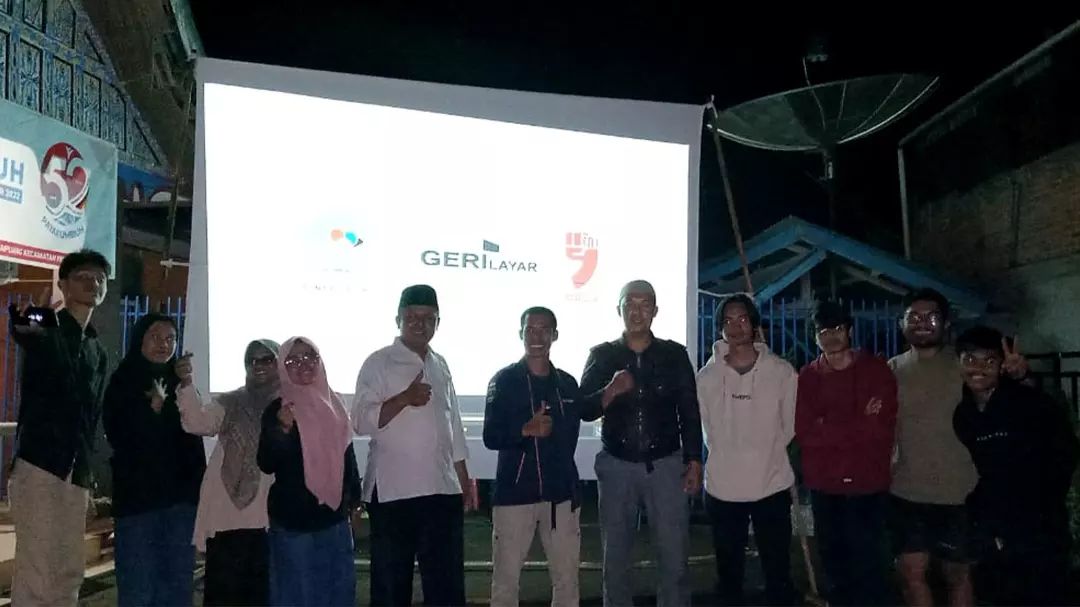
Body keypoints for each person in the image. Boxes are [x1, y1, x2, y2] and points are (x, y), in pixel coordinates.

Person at [887, 288, 1028, 607]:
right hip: (906, 492)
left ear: (946, 323)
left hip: (960, 492)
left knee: (958, 575)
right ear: (901, 323)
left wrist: (1019, 376)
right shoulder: (890, 370)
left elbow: (1015, 405)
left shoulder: (966, 364)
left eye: (931, 316)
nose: (922, 323)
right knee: (911, 574)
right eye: (914, 317)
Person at [580, 279, 703, 607]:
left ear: (655, 310)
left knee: (674, 556)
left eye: (644, 304)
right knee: (615, 558)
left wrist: (694, 460)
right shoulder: (602, 355)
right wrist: (610, 390)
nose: (637, 312)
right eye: (629, 305)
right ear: (618, 310)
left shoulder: (674, 354)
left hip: (666, 465)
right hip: (617, 466)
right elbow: (584, 409)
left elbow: (689, 410)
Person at [353, 284, 477, 607]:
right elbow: (360, 420)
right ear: (398, 320)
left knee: (446, 587)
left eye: (428, 318)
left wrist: (464, 478)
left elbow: (453, 426)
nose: (420, 324)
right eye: (412, 317)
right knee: (391, 588)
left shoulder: (440, 364)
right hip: (394, 493)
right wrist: (404, 399)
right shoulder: (378, 362)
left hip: (442, 490)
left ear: (438, 322)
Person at [8, 249, 111, 607]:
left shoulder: (96, 349)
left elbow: (89, 418)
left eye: (99, 278)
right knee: (37, 570)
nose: (93, 283)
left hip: (76, 471)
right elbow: (24, 326)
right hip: (40, 464)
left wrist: (89, 476)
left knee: (69, 569)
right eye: (83, 277)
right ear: (63, 285)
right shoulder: (47, 321)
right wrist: (31, 317)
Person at [952, 326, 1078, 606]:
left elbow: (1065, 453)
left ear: (1002, 366)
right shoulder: (963, 414)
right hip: (994, 528)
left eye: (989, 360)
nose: (979, 368)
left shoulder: (1030, 403)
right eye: (970, 359)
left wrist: (1042, 509)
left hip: (1039, 527)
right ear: (958, 363)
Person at [696, 294, 797, 606]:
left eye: (742, 319)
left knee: (778, 572)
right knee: (729, 576)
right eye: (727, 321)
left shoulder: (782, 372)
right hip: (723, 489)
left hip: (772, 485)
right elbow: (707, 429)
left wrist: (762, 452)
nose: (735, 326)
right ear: (720, 328)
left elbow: (789, 427)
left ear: (754, 323)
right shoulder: (706, 377)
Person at [796, 301, 898, 606]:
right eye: (823, 331)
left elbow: (881, 428)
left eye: (837, 328)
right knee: (834, 564)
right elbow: (806, 433)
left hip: (868, 484)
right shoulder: (808, 377)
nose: (830, 336)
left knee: (870, 566)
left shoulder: (876, 371)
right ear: (815, 337)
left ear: (850, 331)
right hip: (826, 486)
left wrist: (828, 426)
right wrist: (860, 422)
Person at [103, 313, 206, 607]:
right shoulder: (123, 381)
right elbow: (121, 437)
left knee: (177, 586)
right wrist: (153, 409)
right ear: (140, 340)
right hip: (138, 504)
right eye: (155, 337)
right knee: (139, 588)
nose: (164, 344)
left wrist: (186, 384)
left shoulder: (179, 383)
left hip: (180, 504)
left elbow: (194, 435)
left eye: (170, 338)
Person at [484, 306, 582, 607]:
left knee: (567, 583)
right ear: (520, 334)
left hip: (561, 499)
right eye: (530, 329)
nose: (536, 336)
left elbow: (572, 436)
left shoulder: (567, 384)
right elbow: (490, 437)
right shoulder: (504, 381)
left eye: (543, 330)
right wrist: (525, 429)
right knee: (505, 584)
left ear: (555, 335)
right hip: (514, 496)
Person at [175, 339, 280, 606]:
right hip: (225, 516)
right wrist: (187, 383)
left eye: (267, 359)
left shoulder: (290, 405)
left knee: (261, 596)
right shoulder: (231, 401)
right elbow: (197, 423)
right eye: (251, 360)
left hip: (267, 516)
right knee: (222, 595)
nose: (258, 365)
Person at [257, 336, 360, 606]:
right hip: (295, 522)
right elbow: (266, 462)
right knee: (298, 596)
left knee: (339, 593)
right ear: (283, 366)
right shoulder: (278, 408)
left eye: (309, 357)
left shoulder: (335, 403)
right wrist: (282, 429)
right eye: (293, 360)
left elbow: (347, 455)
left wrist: (355, 502)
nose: (303, 364)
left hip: (335, 519)